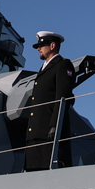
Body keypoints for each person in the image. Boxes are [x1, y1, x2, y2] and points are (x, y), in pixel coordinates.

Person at [24, 32, 75, 171]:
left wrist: (54, 126)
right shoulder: (43, 69)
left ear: (52, 46)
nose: (38, 48)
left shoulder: (62, 65)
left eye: (41, 45)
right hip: (36, 135)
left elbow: (62, 98)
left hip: (49, 133)